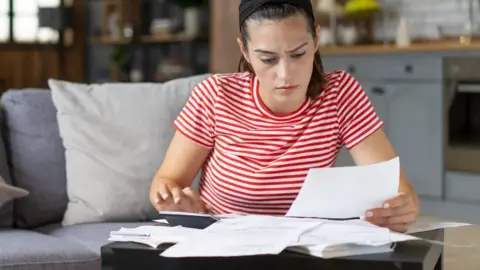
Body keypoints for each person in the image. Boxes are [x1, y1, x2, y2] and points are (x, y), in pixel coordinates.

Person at [149, 0, 419, 233]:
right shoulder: (215, 95)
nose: (286, 74)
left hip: (308, 249)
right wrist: (175, 201)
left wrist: (402, 207)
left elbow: (395, 187)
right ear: (244, 50)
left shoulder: (340, 94)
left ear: (316, 38)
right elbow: (166, 182)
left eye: (298, 54)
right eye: (268, 59)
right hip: (225, 246)